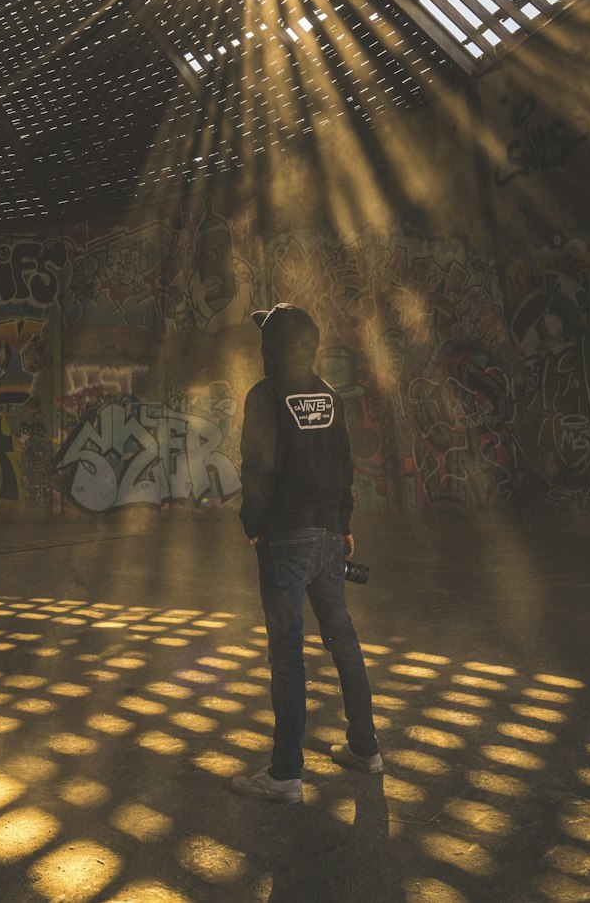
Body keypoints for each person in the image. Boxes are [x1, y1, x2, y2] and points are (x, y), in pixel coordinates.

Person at [231, 303, 382, 805]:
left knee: (287, 654)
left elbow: (257, 468)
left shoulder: (266, 395)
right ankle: (365, 747)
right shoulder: (329, 396)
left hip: (285, 537)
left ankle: (285, 774)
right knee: (342, 639)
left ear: (270, 347)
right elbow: (345, 467)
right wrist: (343, 526)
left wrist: (254, 524)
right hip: (326, 537)